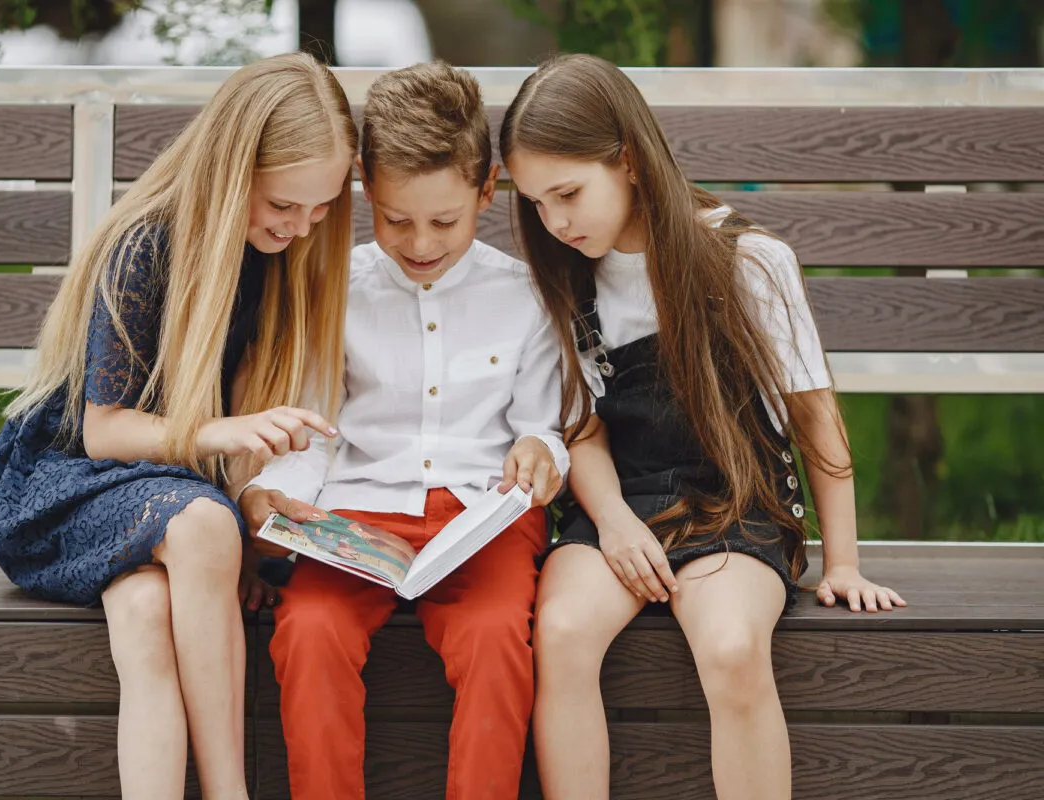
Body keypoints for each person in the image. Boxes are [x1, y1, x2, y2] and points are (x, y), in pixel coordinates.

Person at [498, 53, 907, 800]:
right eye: (535, 203)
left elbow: (815, 414)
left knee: (728, 644)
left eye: (568, 194)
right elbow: (580, 427)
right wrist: (615, 522)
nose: (554, 221)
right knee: (558, 633)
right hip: (621, 501)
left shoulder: (747, 261)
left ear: (626, 158)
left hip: (736, 503)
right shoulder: (562, 277)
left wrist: (842, 561)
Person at [0, 53, 356, 800]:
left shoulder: (272, 255)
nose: (302, 226)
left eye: (320, 209)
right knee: (204, 529)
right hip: (63, 485)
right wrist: (217, 434)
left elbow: (235, 424)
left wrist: (249, 528)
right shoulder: (148, 244)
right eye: (285, 203)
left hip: (168, 498)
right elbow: (104, 432)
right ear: (233, 168)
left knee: (150, 611)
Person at [241, 61, 568, 800]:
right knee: (309, 631)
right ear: (364, 188)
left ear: (487, 190)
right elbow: (314, 428)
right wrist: (270, 497)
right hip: (355, 515)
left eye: (444, 221)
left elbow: (542, 426)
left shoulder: (524, 297)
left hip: (479, 520)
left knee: (496, 643)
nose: (420, 242)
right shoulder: (336, 290)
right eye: (396, 219)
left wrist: (539, 452)